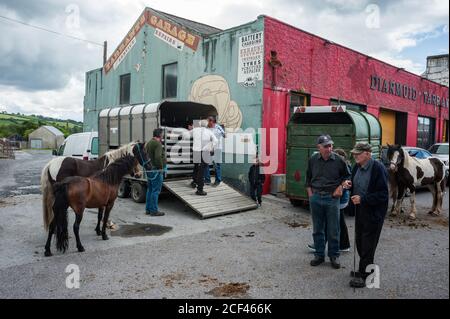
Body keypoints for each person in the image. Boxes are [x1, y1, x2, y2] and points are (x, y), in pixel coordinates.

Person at [305, 134, 351, 269]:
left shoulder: (339, 160)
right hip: (316, 197)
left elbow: (348, 176)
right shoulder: (313, 160)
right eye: (326, 146)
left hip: (332, 198)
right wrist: (310, 195)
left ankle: (334, 255)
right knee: (318, 228)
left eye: (331, 145)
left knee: (333, 229)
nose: (329, 148)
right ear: (318, 147)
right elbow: (308, 178)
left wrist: (341, 186)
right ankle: (319, 255)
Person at [349, 142, 389, 288]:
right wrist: (349, 185)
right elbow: (356, 185)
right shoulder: (357, 167)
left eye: (358, 153)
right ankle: (364, 269)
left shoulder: (378, 169)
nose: (355, 156)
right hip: (360, 211)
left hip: (373, 213)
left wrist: (363, 199)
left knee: (368, 244)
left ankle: (365, 275)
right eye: (354, 153)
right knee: (360, 241)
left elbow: (383, 194)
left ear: (367, 153)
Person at [192, 120, 218, 196]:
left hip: (196, 151)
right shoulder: (208, 132)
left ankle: (194, 182)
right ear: (206, 125)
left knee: (196, 167)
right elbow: (215, 140)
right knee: (201, 171)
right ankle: (200, 189)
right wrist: (210, 147)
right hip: (204, 153)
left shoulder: (196, 131)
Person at [144, 128, 166, 216]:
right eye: (162, 134)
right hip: (156, 170)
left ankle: (148, 209)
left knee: (150, 189)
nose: (163, 135)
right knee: (156, 191)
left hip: (149, 169)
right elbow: (157, 157)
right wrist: (161, 167)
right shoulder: (158, 144)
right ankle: (154, 211)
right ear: (160, 135)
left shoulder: (149, 143)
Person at [204, 116, 226, 187]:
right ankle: (207, 180)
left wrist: (222, 132)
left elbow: (225, 135)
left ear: (212, 121)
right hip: (209, 148)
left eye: (208, 121)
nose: (207, 123)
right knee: (206, 163)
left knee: (217, 165)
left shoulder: (218, 127)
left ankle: (218, 180)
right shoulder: (207, 128)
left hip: (217, 148)